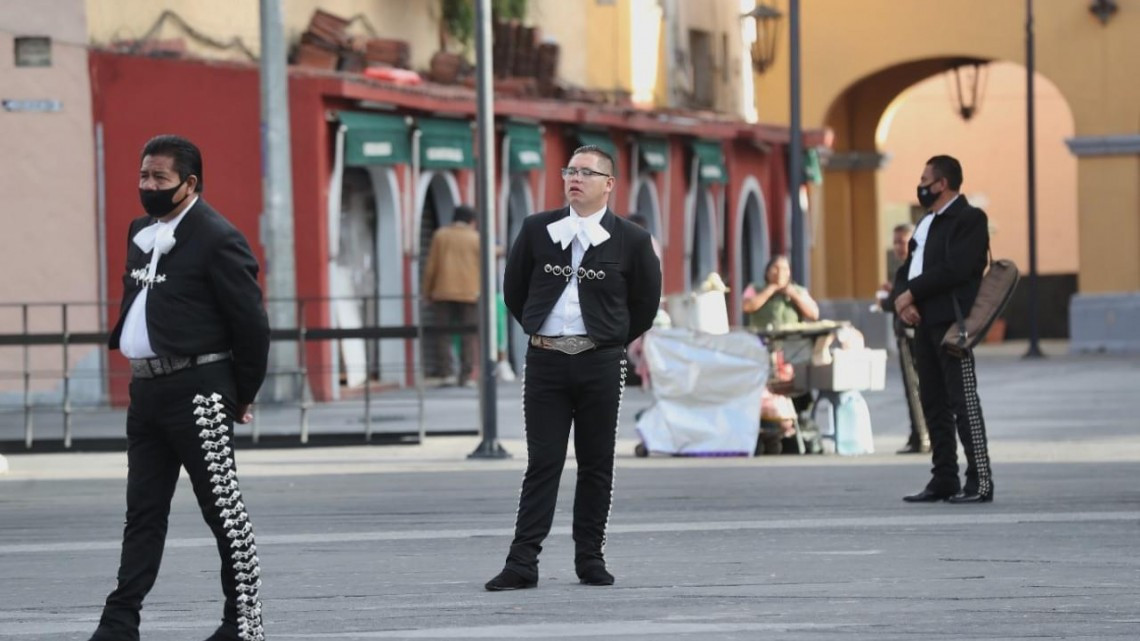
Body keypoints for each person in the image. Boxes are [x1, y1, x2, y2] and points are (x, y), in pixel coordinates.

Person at [88, 135, 269, 641]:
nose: (147, 186)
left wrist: (242, 392)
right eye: (144, 176)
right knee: (142, 512)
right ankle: (119, 623)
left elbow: (251, 324)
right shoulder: (141, 230)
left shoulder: (217, 236)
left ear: (189, 184)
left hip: (200, 389)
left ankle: (245, 622)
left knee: (224, 510)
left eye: (159, 178)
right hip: (145, 393)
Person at [485, 145, 662, 591]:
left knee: (597, 461)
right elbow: (514, 290)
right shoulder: (537, 229)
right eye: (570, 170)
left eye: (587, 172)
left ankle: (590, 558)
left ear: (609, 184)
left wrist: (609, 338)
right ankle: (522, 562)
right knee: (543, 461)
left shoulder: (633, 240)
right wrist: (539, 328)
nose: (575, 178)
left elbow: (645, 305)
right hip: (545, 358)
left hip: (601, 361)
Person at [893, 154, 994, 504]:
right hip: (923, 324)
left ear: (943, 183)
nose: (921, 186)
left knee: (963, 400)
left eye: (925, 179)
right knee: (933, 402)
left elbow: (956, 269)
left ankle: (980, 481)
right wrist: (902, 301)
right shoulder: (925, 223)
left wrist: (911, 294)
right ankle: (944, 477)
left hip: (954, 324)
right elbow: (907, 270)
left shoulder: (969, 219)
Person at [880, 223, 930, 455]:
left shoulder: (913, 267)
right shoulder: (909, 267)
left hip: (911, 333)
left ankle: (922, 436)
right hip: (910, 332)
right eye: (896, 242)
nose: (899, 246)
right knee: (918, 386)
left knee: (915, 386)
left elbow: (896, 301)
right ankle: (917, 434)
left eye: (903, 241)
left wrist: (884, 300)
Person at [422, 205, 481, 387]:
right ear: (471, 221)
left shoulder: (440, 235)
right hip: (469, 293)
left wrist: (427, 291)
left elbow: (431, 266)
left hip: (442, 291)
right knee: (468, 335)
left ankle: (446, 373)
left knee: (443, 334)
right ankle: (465, 375)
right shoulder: (476, 238)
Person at [742, 255, 820, 330]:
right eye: (776, 268)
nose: (780, 273)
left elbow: (814, 314)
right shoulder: (754, 288)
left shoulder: (799, 291)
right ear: (767, 271)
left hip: (792, 338)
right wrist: (770, 290)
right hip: (762, 338)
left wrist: (793, 295)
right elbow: (746, 306)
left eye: (784, 269)